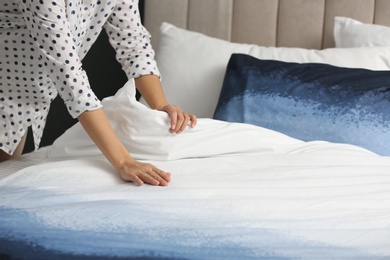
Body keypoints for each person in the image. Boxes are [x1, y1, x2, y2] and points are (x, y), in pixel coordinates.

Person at [0, 0, 197, 186]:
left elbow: (133, 43)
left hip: (23, 106)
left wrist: (160, 106)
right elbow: (69, 75)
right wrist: (123, 161)